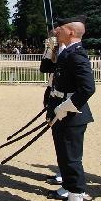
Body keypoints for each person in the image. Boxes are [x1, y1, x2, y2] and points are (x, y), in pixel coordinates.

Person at [45, 15, 95, 201]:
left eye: (61, 29)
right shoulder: (68, 52)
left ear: (71, 32)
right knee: (65, 157)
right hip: (63, 112)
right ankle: (70, 199)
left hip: (72, 115)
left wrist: (66, 107)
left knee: (72, 160)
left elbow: (88, 88)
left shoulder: (76, 55)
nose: (57, 31)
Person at [39, 30, 63, 187]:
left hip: (62, 98)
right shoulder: (57, 50)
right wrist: (50, 50)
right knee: (58, 138)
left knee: (64, 140)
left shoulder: (69, 53)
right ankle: (62, 172)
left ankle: (65, 175)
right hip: (52, 92)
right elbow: (45, 67)